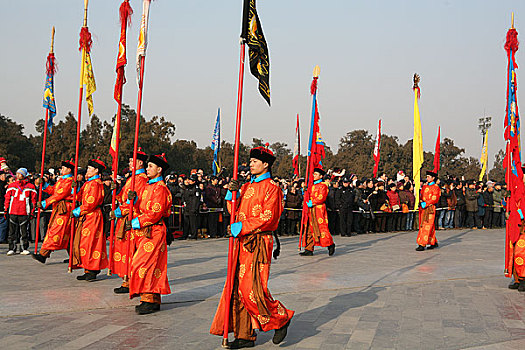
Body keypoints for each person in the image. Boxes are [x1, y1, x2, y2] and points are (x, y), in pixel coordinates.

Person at [210, 146, 293, 348]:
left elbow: (268, 218)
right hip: (242, 242)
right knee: (237, 288)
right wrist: (231, 194)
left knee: (252, 288)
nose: (251, 164)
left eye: (255, 161)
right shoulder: (246, 186)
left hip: (258, 242)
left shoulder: (272, 188)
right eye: (251, 161)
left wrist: (240, 227)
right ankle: (244, 334)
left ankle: (281, 317)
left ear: (266, 164)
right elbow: (234, 210)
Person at [128, 153, 173, 314]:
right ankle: (153, 298)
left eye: (150, 166)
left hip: (154, 230)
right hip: (145, 231)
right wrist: (131, 201)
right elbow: (139, 208)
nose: (147, 169)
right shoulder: (147, 186)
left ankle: (147, 298)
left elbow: (155, 213)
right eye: (147, 166)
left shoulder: (161, 189)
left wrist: (136, 222)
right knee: (152, 265)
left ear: (159, 170)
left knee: (143, 264)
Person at [110, 150, 149, 294]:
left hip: (132, 219)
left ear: (140, 162)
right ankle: (126, 279)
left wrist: (118, 212)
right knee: (124, 250)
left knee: (131, 251)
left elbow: (132, 202)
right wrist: (116, 191)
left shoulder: (141, 179)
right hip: (125, 219)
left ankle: (132, 280)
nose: (130, 163)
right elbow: (124, 198)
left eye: (132, 161)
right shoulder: (131, 178)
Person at [70, 159, 108, 281]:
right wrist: (74, 188)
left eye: (90, 168)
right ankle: (88, 268)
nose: (87, 170)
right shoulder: (88, 183)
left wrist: (77, 211)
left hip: (93, 215)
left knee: (91, 242)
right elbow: (78, 197)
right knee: (84, 242)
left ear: (96, 170)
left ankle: (93, 268)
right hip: (87, 215)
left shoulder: (96, 184)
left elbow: (91, 203)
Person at [31, 160, 75, 263]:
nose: (61, 170)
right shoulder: (61, 180)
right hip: (58, 207)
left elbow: (59, 195)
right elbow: (54, 191)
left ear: (69, 170)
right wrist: (45, 185)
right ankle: (73, 256)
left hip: (65, 209)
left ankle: (43, 254)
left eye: (64, 168)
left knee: (56, 231)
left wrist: (44, 203)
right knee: (65, 233)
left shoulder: (69, 181)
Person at [300, 168, 335, 256]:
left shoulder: (323, 185)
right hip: (310, 210)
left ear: (321, 176)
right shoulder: (311, 185)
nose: (314, 176)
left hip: (318, 209)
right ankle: (309, 248)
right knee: (309, 228)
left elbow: (322, 197)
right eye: (313, 174)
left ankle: (330, 244)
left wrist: (313, 202)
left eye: (316, 174)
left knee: (322, 227)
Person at [5, 168, 37, 255]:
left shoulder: (31, 186)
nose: (18, 175)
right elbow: (7, 198)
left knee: (24, 232)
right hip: (13, 211)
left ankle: (24, 248)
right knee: (12, 231)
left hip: (24, 212)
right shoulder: (11, 186)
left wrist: (32, 211)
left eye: (20, 174)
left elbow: (33, 200)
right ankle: (12, 248)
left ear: (24, 175)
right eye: (17, 173)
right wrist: (6, 209)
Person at [416, 171, 441, 251]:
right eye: (427, 176)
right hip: (423, 208)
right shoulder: (424, 186)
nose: (427, 178)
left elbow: (435, 198)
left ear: (433, 178)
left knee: (427, 225)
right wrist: (419, 201)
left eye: (429, 176)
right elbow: (421, 196)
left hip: (430, 208)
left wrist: (426, 203)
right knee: (426, 224)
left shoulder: (436, 187)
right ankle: (433, 241)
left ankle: (422, 244)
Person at [0, 170, 8, 243]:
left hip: (2, 206)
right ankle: (1, 238)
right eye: (3, 175)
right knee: (3, 223)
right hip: (2, 206)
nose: (4, 177)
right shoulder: (3, 185)